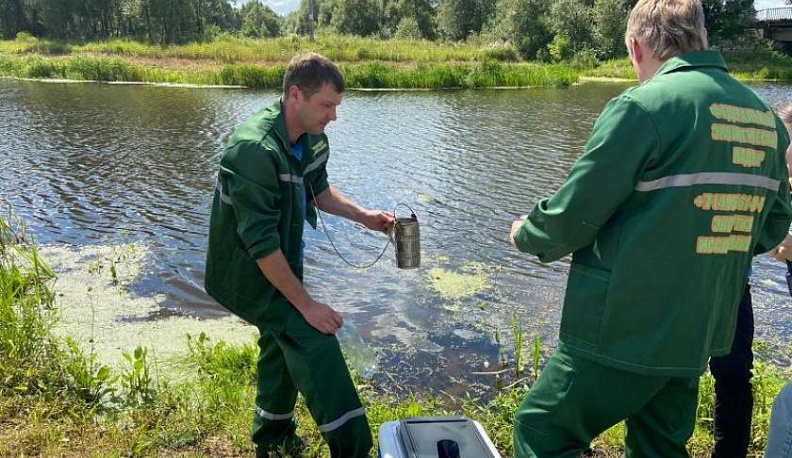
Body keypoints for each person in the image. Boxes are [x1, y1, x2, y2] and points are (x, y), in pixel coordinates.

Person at [508, 0, 792, 456]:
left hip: (626, 325)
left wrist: (527, 232)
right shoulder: (764, 119)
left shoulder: (642, 108)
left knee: (541, 430)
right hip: (697, 329)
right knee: (659, 446)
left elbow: (575, 214)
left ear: (636, 47)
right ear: (701, 36)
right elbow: (772, 224)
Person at [204, 53, 394, 458]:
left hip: (280, 262)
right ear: (295, 95)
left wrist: (364, 216)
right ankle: (355, 450)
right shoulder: (254, 150)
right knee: (314, 338)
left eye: (336, 106)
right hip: (247, 272)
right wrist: (306, 305)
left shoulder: (312, 138)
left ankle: (272, 438)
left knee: (279, 344)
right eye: (326, 105)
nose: (334, 116)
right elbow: (260, 244)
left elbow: (318, 190)